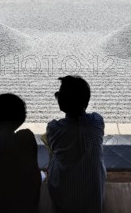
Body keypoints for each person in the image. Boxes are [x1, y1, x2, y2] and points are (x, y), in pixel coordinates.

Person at [45, 75, 106, 213]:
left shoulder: (54, 128)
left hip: (62, 200)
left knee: (54, 155)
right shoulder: (97, 122)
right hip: (94, 199)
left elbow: (54, 147)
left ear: (61, 101)